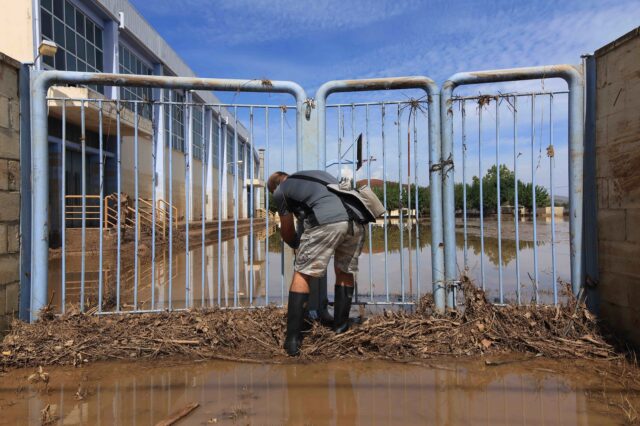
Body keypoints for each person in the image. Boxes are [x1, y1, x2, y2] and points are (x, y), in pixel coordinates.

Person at [267, 170, 367, 356]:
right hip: (357, 220)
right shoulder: (317, 176)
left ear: (274, 187)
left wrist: (296, 244)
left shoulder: (280, 191)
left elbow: (287, 230)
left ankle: (292, 342)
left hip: (328, 223)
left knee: (302, 272)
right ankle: (340, 328)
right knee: (344, 272)